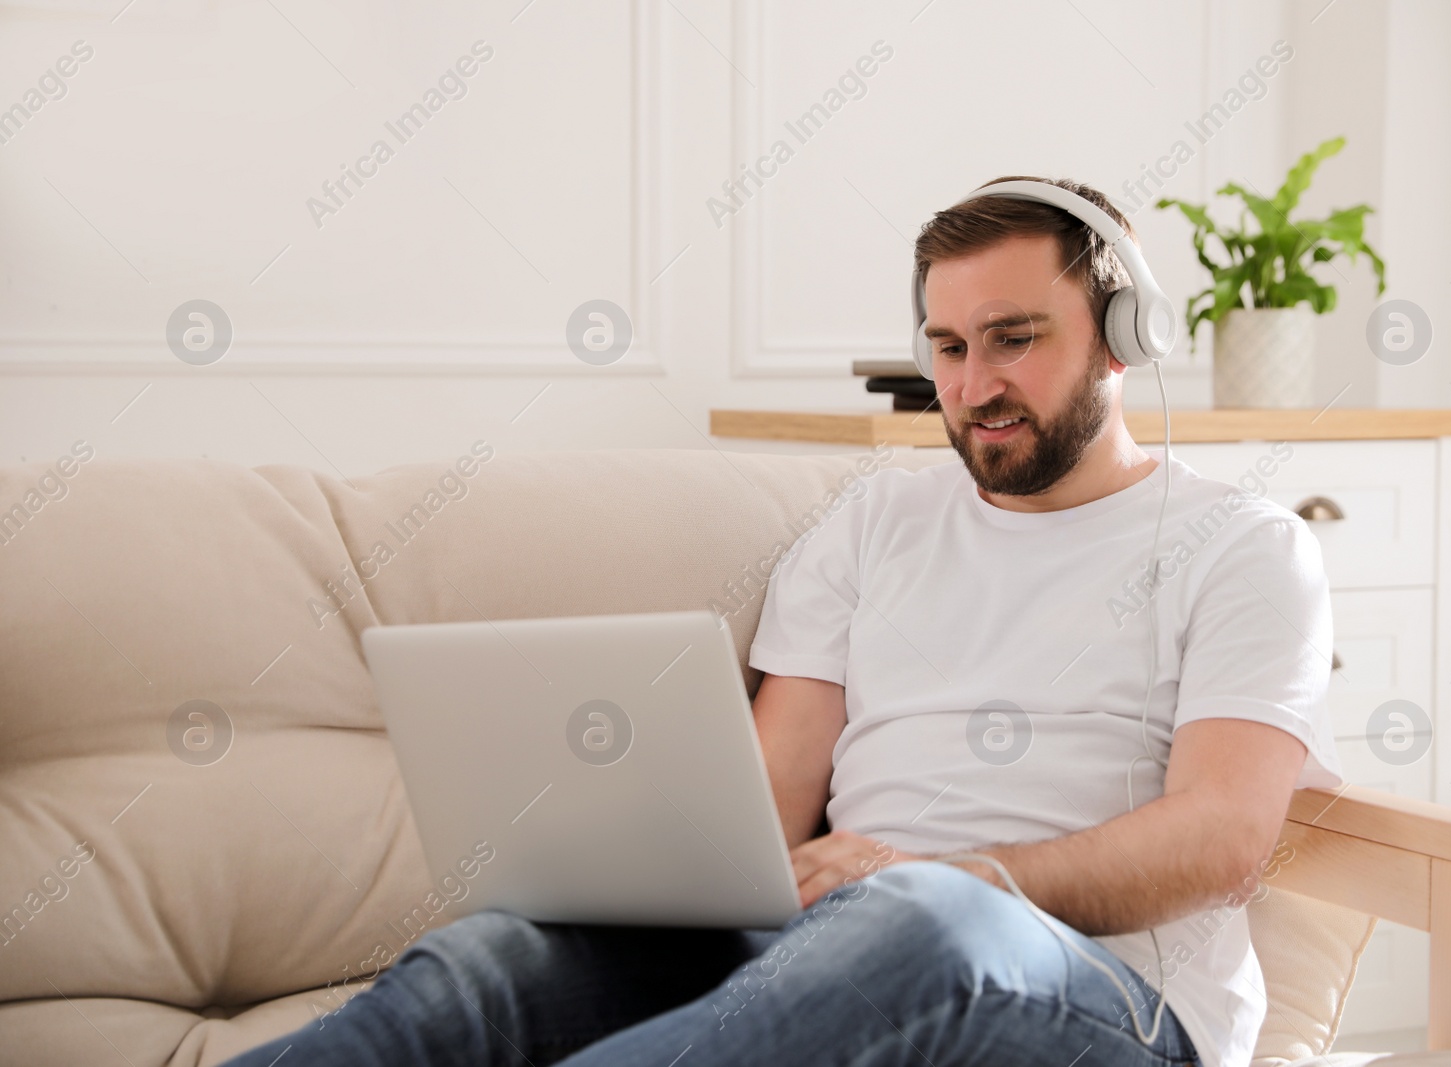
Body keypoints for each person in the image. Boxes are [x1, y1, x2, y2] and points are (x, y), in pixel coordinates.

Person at [221, 176, 1340, 1067]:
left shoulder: (1242, 546)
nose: (972, 383)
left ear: (1120, 335)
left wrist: (964, 875)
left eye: (1014, 338)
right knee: (501, 957)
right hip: (840, 947)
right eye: (946, 349)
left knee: (919, 920)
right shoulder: (872, 523)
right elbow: (766, 806)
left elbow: (1225, 837)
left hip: (1107, 1005)